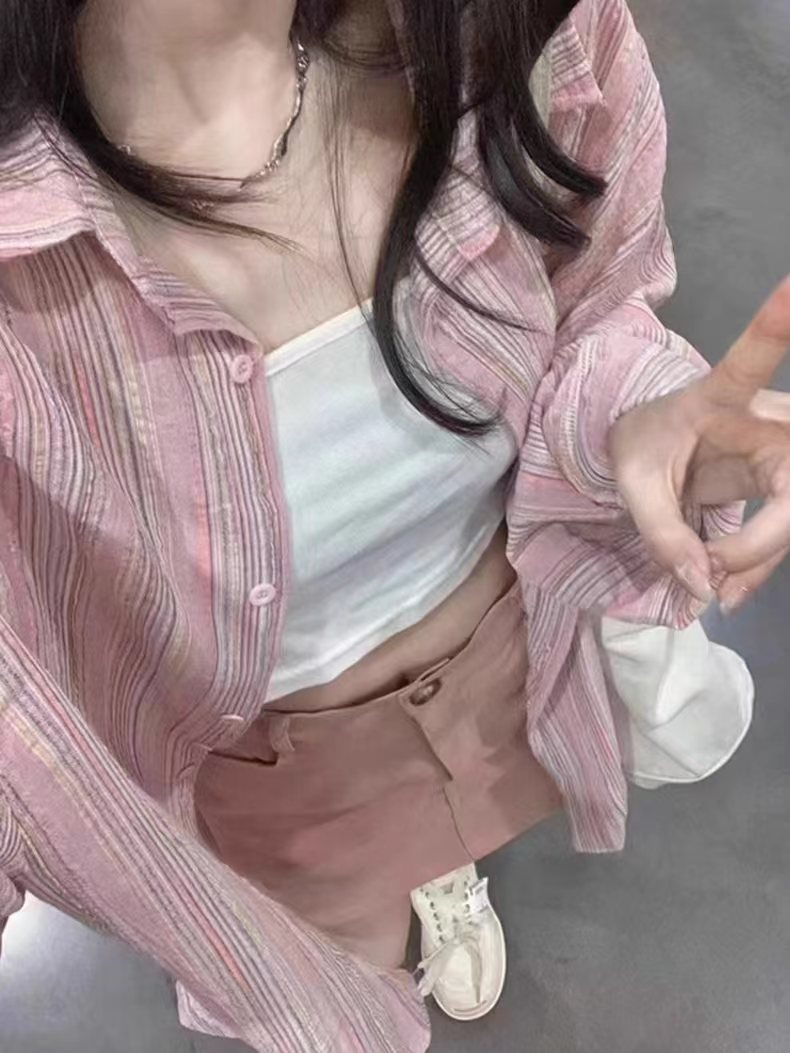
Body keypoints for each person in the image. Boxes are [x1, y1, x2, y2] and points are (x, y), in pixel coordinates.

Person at [0, 0, 788, 1047]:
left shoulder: (523, 35)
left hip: (512, 659)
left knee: (455, 830)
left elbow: (594, 302)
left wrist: (637, 424)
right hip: (271, 772)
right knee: (335, 964)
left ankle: (443, 870)